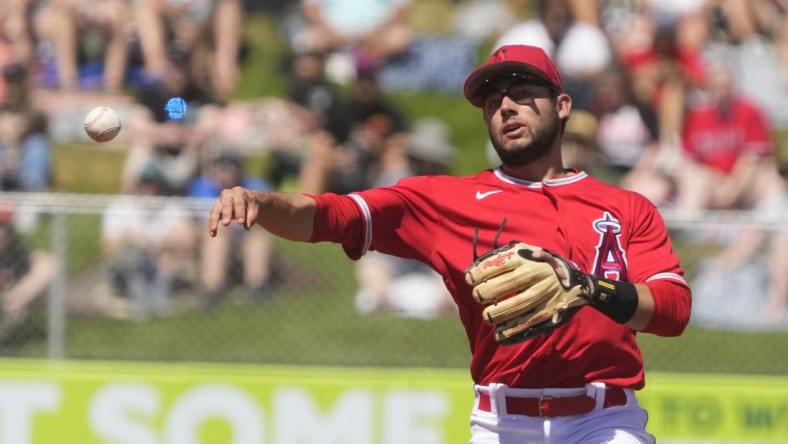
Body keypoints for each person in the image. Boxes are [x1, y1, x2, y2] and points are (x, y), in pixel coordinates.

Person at [208, 45, 691, 442]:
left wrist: (589, 289)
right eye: (493, 103)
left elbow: (673, 311)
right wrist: (261, 201)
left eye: (523, 94)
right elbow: (332, 215)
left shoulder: (627, 207)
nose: (506, 107)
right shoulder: (445, 200)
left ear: (562, 106)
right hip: (502, 423)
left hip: (604, 421)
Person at [101, 161, 198, 318]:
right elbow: (109, 247)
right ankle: (140, 300)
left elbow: (189, 238)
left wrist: (158, 245)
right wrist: (136, 242)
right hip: (132, 263)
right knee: (134, 254)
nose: (149, 190)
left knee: (169, 256)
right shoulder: (119, 207)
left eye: (154, 184)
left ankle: (159, 300)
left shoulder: (171, 206)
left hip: (162, 261)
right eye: (145, 184)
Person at [187, 151, 275, 309]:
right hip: (213, 234)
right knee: (217, 233)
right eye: (221, 168)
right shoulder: (202, 186)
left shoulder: (254, 185)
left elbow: (267, 212)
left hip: (245, 232)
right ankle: (212, 289)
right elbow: (204, 219)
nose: (225, 173)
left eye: (230, 169)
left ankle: (257, 287)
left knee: (257, 236)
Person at [0, 203, 56, 341]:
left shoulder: (15, 251)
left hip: (8, 302)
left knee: (17, 311)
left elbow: (48, 264)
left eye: (3, 227)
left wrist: (16, 296)